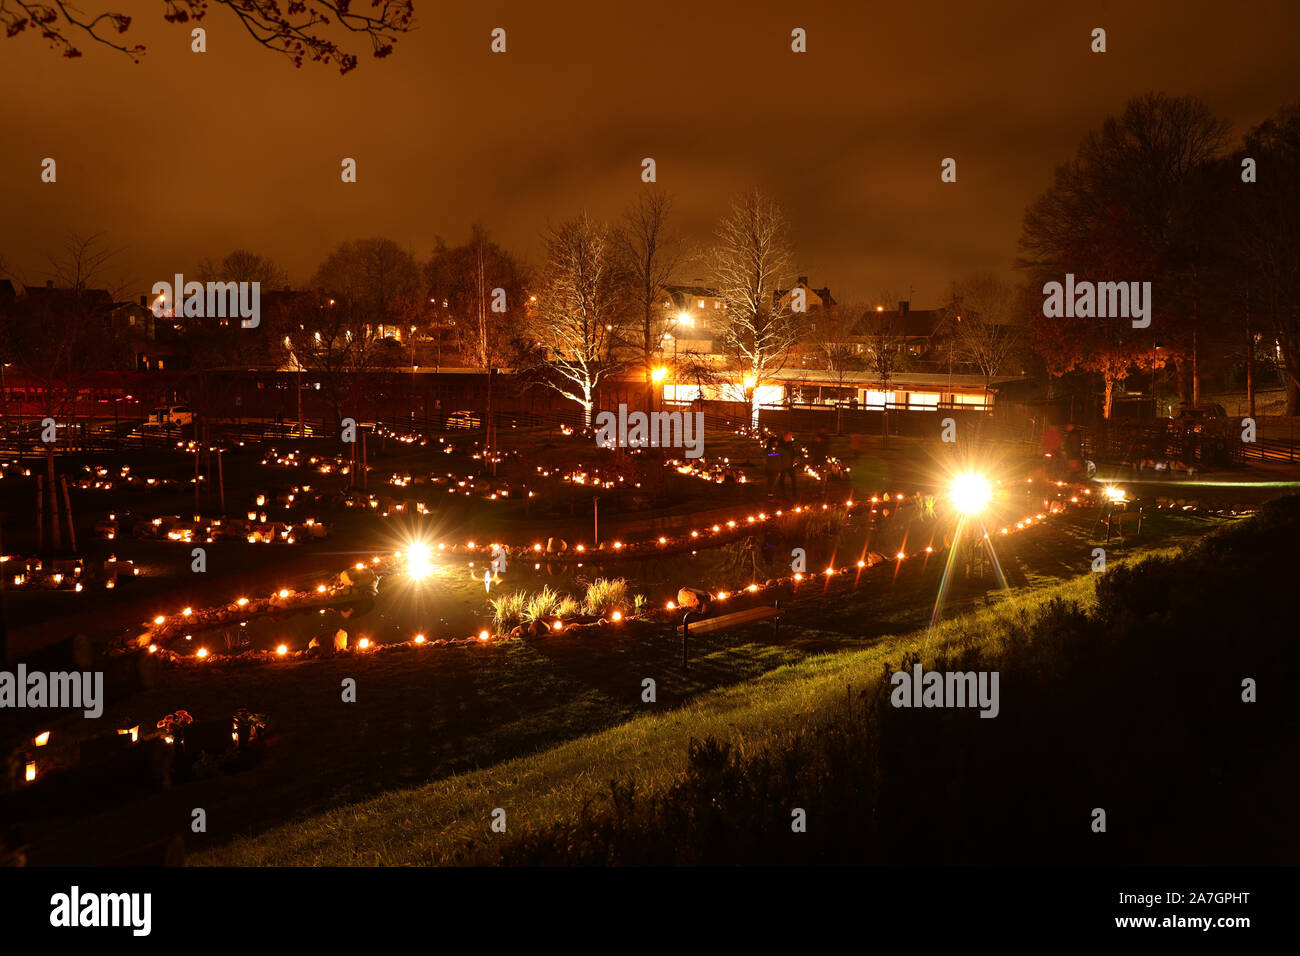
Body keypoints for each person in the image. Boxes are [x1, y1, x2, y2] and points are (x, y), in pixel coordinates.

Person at [778, 432, 799, 499]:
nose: (791, 438)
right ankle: (783, 494)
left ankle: (794, 493)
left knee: (794, 478)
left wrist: (794, 458)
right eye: (790, 436)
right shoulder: (780, 444)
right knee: (782, 479)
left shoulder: (790, 444)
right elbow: (775, 453)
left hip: (790, 464)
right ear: (786, 436)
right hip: (783, 464)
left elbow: (792, 452)